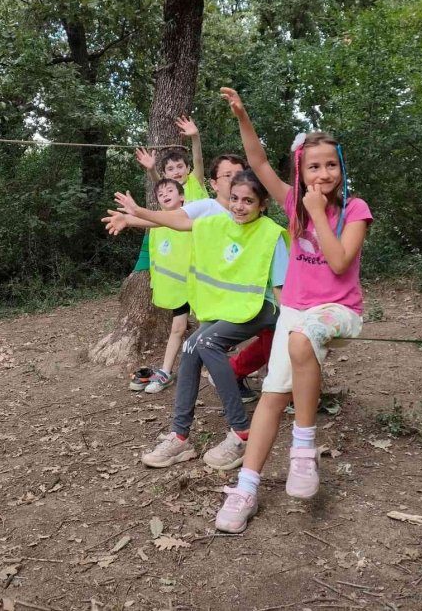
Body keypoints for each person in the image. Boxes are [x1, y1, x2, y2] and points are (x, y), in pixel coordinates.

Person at [214, 88, 372, 533]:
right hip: (295, 311)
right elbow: (257, 162)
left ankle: (303, 451)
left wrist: (318, 212)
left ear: (341, 168)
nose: (324, 172)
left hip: (338, 311)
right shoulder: (289, 201)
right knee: (270, 396)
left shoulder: (355, 209)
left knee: (302, 339)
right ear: (300, 172)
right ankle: (245, 488)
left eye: (331, 164)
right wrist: (244, 116)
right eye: (314, 166)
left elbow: (340, 261)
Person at [109, 170, 289, 471]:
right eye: (234, 199)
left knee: (204, 342)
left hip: (264, 307)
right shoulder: (218, 223)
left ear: (263, 204)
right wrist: (134, 216)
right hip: (230, 307)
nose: (239, 206)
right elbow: (179, 221)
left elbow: (280, 289)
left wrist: (289, 327)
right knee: (191, 347)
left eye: (248, 201)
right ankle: (180, 437)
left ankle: (242, 432)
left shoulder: (270, 234)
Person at [106, 154, 267, 402]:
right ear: (214, 184)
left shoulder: (251, 210)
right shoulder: (207, 207)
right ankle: (222, 391)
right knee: (208, 340)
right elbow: (172, 218)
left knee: (270, 332)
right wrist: (130, 217)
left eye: (239, 173)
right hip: (216, 291)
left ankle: (264, 382)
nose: (235, 179)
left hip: (248, 288)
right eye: (227, 176)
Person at [136, 178, 192, 393]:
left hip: (201, 286)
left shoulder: (193, 217)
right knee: (177, 329)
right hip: (179, 289)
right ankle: (166, 372)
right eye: (161, 194)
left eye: (171, 190)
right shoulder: (156, 224)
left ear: (183, 197)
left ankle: (228, 369)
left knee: (213, 331)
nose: (166, 194)